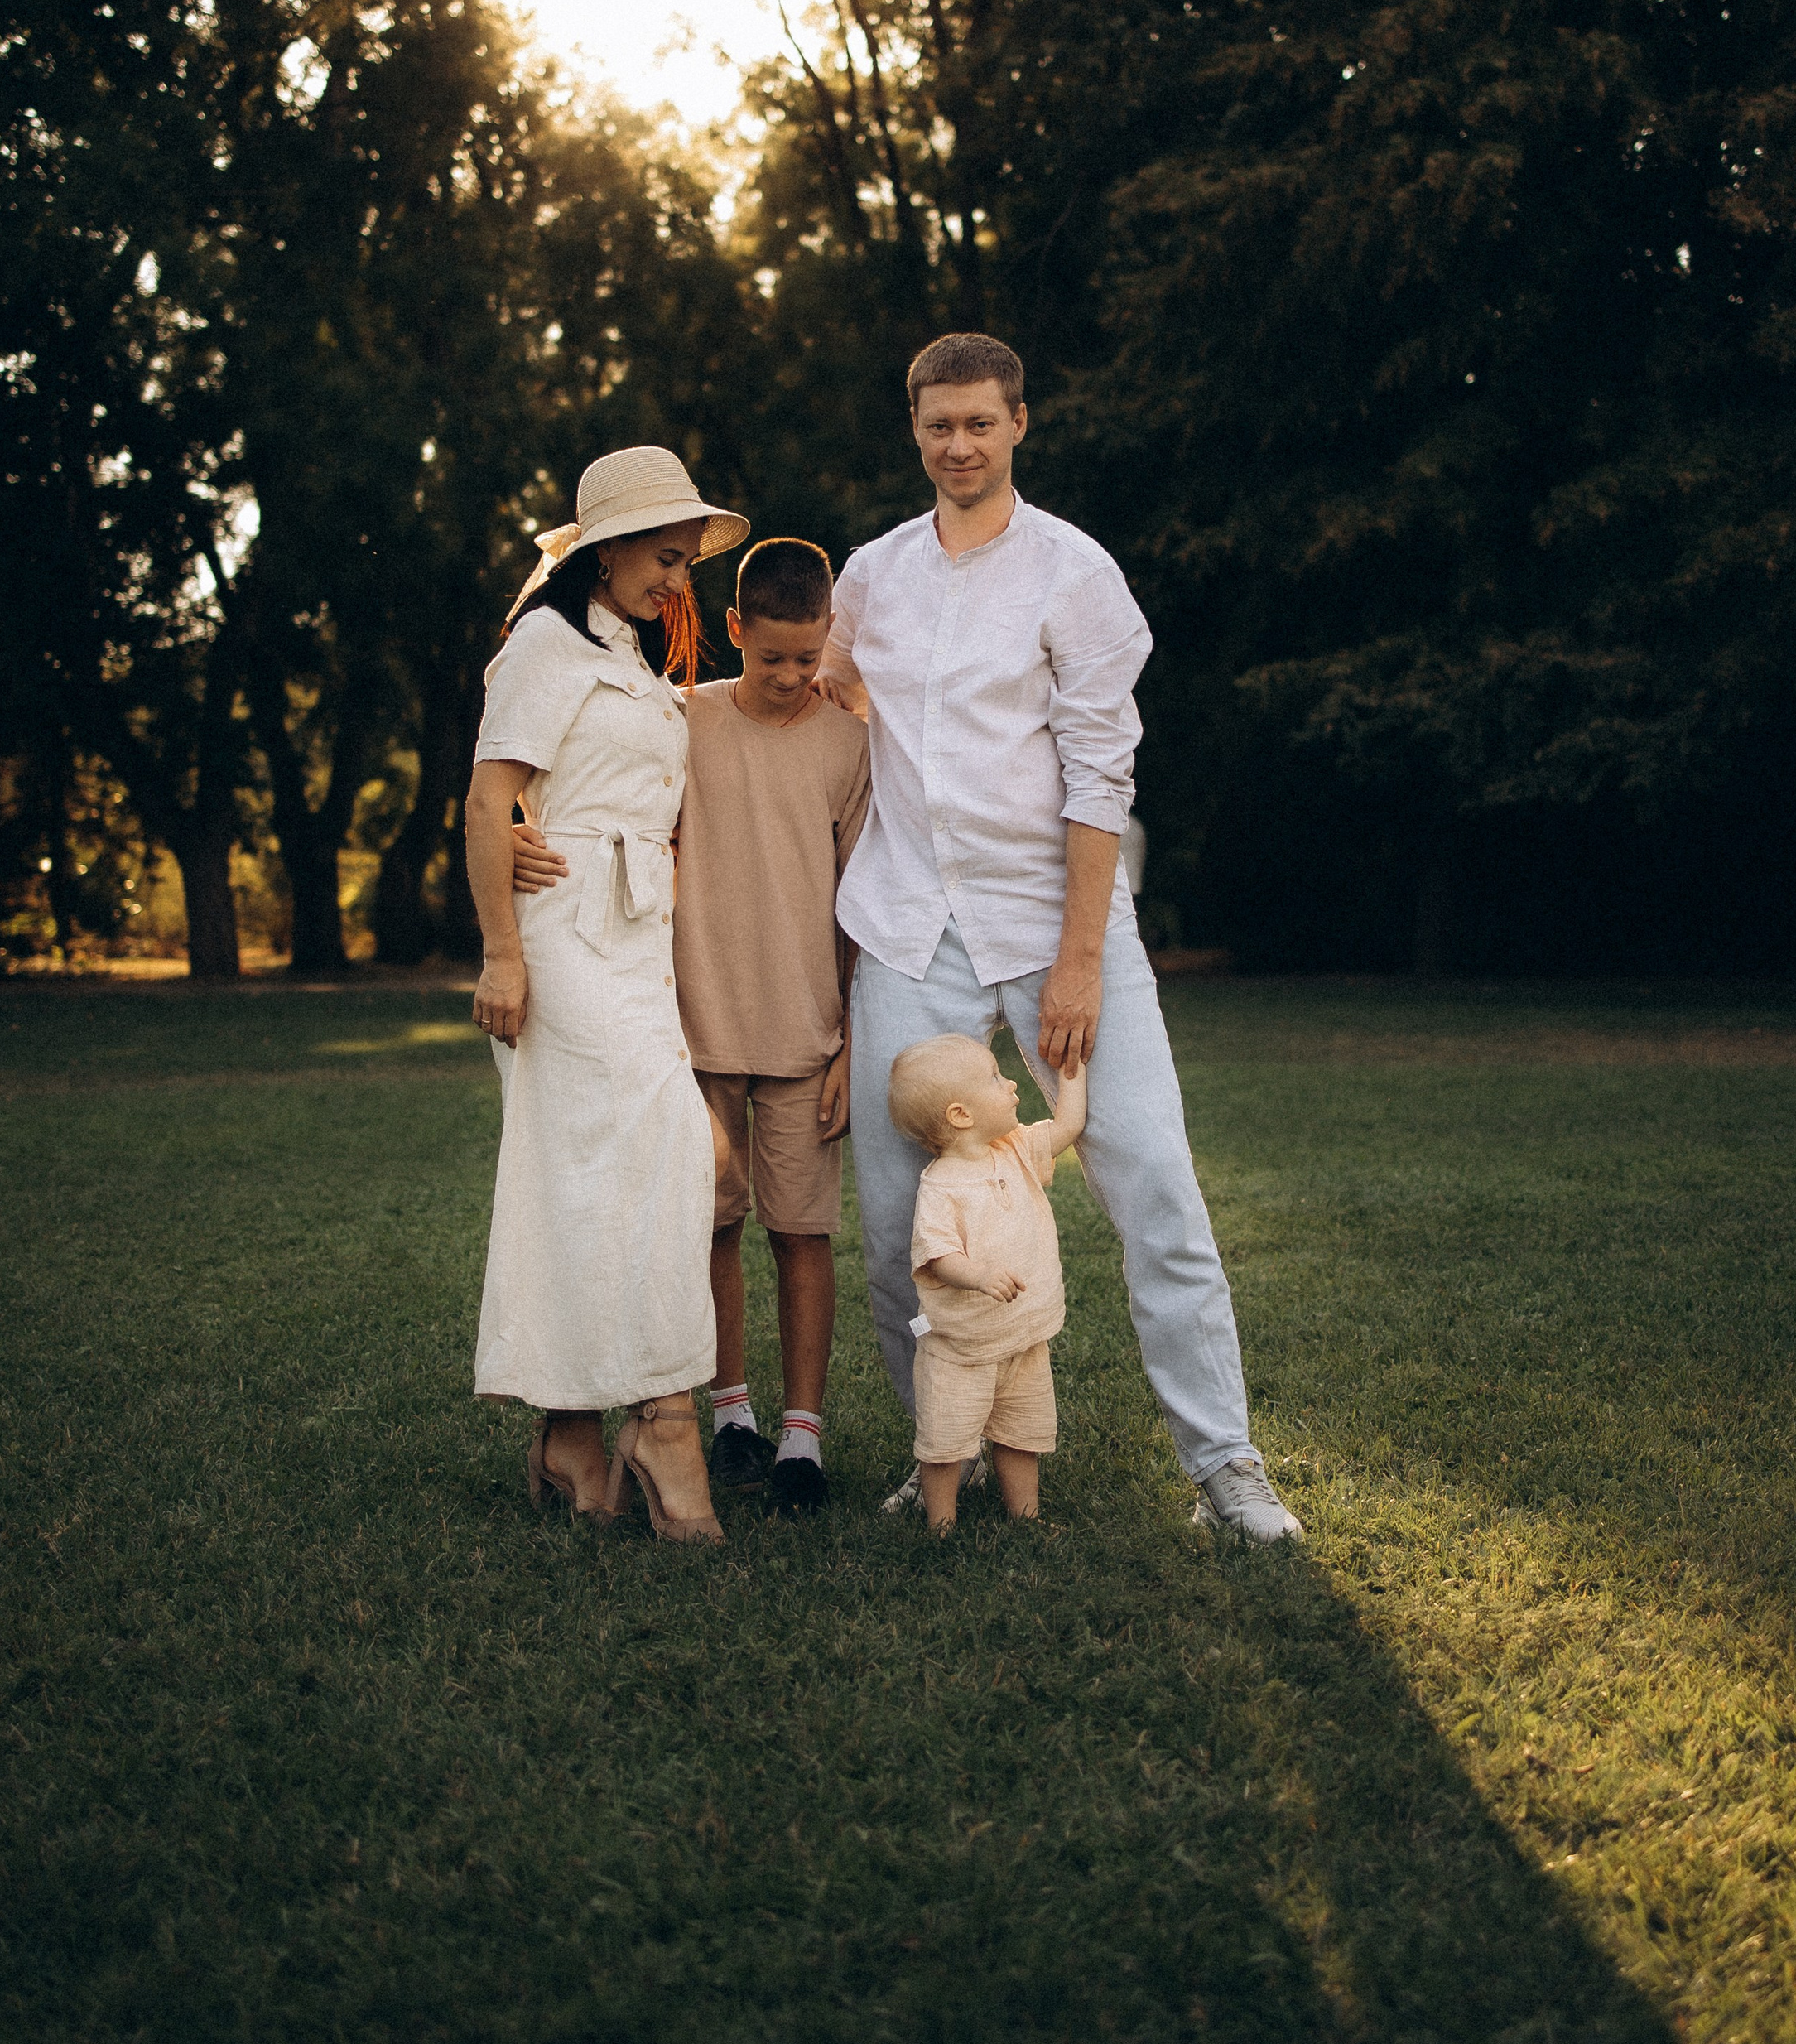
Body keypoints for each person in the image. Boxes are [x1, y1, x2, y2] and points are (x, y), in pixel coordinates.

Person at [821, 331, 1305, 1545]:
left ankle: (1227, 1468)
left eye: (982, 422)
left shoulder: (1074, 573)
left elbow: (1102, 775)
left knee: (1153, 1188)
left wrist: (1083, 959)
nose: (960, 444)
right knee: (892, 1221)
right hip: (906, 921)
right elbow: (806, 694)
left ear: (1020, 423)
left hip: (1058, 921)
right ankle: (957, 1446)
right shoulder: (872, 573)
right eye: (940, 424)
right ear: (914, 429)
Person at [511, 537, 871, 1518]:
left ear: (829, 638)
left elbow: (859, 899)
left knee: (802, 1232)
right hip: (691, 1026)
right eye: (773, 658)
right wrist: (508, 823)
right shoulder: (681, 718)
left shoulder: (848, 744)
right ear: (733, 632)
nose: (794, 677)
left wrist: (849, 1036)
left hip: (808, 1034)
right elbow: (582, 783)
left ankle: (802, 1435)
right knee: (704, 1227)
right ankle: (729, 1414)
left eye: (811, 657)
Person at [465, 445, 747, 1546]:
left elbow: (619, 766)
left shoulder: (625, 650)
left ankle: (570, 1436)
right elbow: (492, 796)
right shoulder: (542, 641)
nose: (676, 581)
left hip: (637, 938)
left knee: (588, 1177)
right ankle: (667, 1423)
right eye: (666, 559)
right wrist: (501, 952)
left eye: (684, 562)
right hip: (562, 936)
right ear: (610, 546)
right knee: (671, 1142)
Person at [892, 1032, 1086, 1535]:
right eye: (996, 1078)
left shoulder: (1017, 1148)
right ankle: (941, 1524)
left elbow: (1069, 1124)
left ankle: (1025, 1517)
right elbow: (937, 1257)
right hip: (961, 1349)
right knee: (946, 1442)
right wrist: (978, 1275)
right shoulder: (940, 1186)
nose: (1012, 1084)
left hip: (1023, 1337)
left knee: (1022, 1435)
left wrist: (1073, 1071)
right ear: (961, 1115)